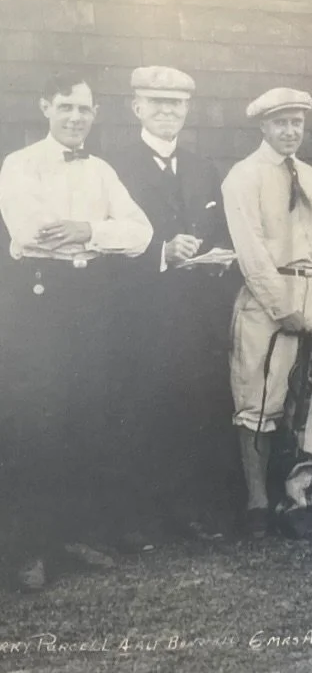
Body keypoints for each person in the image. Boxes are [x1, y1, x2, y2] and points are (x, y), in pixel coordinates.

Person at [0, 71, 153, 591]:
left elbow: (142, 232)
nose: (74, 118)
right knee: (37, 422)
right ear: (46, 106)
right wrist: (94, 235)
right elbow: (33, 233)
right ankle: (27, 549)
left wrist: (90, 230)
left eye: (84, 110)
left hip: (92, 304)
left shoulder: (103, 170)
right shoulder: (19, 166)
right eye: (65, 107)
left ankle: (73, 535)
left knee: (89, 414)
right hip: (40, 304)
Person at [221, 87, 312, 540]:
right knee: (260, 400)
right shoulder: (244, 176)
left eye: (297, 122)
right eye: (281, 122)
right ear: (263, 126)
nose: (290, 131)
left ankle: (304, 500)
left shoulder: (311, 176)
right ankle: (258, 504)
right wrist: (281, 308)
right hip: (269, 301)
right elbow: (251, 252)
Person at [108, 66, 236, 546]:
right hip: (138, 311)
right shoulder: (115, 167)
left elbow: (219, 229)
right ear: (137, 107)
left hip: (195, 312)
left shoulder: (204, 168)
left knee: (193, 408)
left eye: (176, 104)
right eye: (156, 103)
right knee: (140, 409)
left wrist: (220, 257)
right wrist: (162, 250)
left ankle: (186, 510)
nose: (167, 112)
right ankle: (136, 519)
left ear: (187, 110)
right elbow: (111, 238)